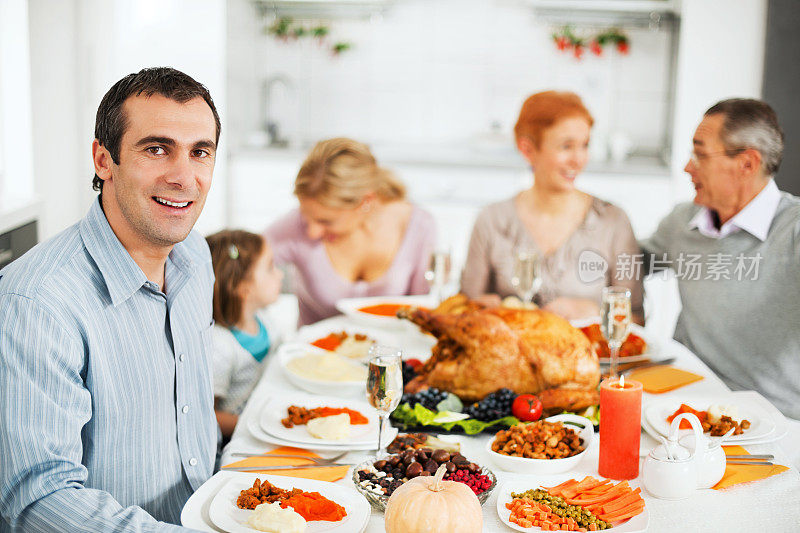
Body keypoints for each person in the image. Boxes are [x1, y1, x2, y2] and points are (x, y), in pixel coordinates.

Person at [0, 67, 220, 531]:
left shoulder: (197, 256)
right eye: (157, 149)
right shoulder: (37, 303)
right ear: (104, 160)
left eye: (200, 152)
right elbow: (39, 501)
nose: (184, 176)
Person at [641, 98, 800, 419]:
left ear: (747, 164)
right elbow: (631, 262)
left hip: (772, 417)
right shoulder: (682, 221)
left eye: (700, 154)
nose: (688, 167)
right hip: (681, 401)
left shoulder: (793, 229)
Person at [461, 91, 644, 323]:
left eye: (585, 145)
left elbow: (637, 317)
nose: (579, 159)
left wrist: (595, 313)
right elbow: (464, 309)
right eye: (566, 146)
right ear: (527, 149)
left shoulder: (613, 221)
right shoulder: (491, 220)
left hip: (590, 356)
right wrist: (484, 309)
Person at [265, 137, 436, 326]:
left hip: (392, 353)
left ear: (366, 202)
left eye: (326, 221)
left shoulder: (419, 225)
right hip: (313, 350)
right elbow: (240, 261)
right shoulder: (295, 225)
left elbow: (423, 309)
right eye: (306, 216)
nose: (312, 232)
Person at [206, 230, 284, 440]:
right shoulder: (219, 346)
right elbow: (206, 415)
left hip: (272, 418)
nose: (280, 274)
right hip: (245, 439)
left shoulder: (265, 321)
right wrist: (256, 425)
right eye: (270, 267)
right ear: (243, 288)